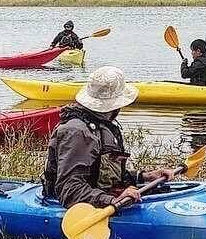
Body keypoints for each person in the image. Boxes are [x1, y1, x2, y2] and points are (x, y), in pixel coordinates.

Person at [43, 66, 177, 208]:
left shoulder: (100, 123)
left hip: (97, 196)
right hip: (72, 206)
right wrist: (112, 200)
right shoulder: (77, 132)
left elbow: (102, 174)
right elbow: (69, 189)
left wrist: (147, 176)